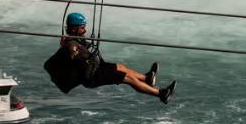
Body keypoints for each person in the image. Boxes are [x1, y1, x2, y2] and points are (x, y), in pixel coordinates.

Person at [45, 12, 177, 104]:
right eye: (82, 28)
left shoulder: (76, 38)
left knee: (121, 67)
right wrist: (72, 52)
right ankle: (161, 94)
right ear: (74, 29)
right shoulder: (71, 44)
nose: (85, 30)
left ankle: (146, 78)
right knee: (128, 78)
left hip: (96, 68)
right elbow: (71, 50)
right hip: (92, 76)